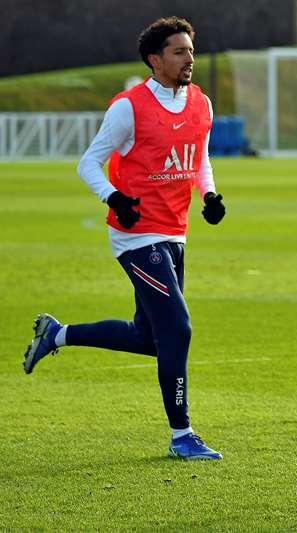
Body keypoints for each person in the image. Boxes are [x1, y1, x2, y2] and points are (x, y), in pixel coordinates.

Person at [22, 16, 226, 460]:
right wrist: (115, 198)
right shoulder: (129, 107)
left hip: (176, 231)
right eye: (179, 51)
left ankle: (57, 335)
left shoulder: (202, 104)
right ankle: (182, 435)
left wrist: (208, 194)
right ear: (155, 60)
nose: (189, 57)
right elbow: (88, 163)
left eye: (191, 50)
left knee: (149, 338)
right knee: (178, 328)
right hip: (136, 235)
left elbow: (200, 157)